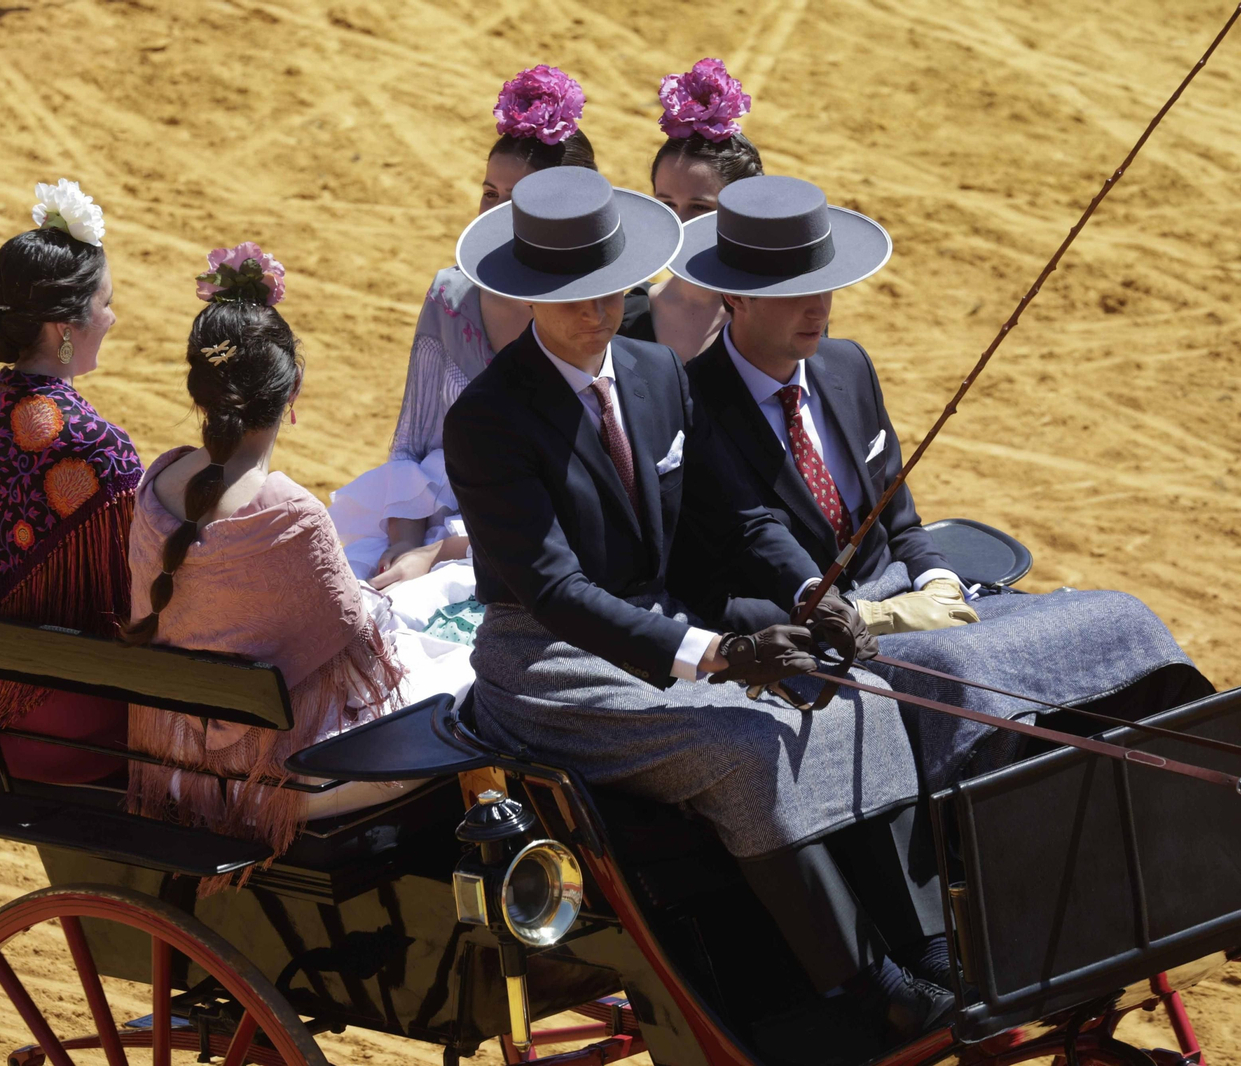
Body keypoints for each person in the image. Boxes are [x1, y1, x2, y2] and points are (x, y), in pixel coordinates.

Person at [445, 165, 957, 1042]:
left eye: (612, 290)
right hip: (549, 664)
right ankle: (863, 987)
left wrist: (805, 597)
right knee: (745, 749)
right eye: (573, 296)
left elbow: (724, 519)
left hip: (664, 623)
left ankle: (932, 952)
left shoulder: (654, 373)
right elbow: (558, 592)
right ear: (529, 295)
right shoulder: (487, 420)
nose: (598, 313)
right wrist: (712, 653)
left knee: (853, 697)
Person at [666, 174, 1213, 786]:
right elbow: (747, 541)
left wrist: (938, 577)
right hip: (809, 630)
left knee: (1120, 618)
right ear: (736, 299)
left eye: (826, 288)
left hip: (911, 599)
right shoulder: (692, 402)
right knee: (965, 662)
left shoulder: (848, 365)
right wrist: (838, 614)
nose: (819, 309)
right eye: (796, 293)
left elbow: (898, 514)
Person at [121, 244, 412, 883]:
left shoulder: (157, 481)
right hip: (257, 786)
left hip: (163, 762)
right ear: (293, 391)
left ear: (200, 391)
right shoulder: (291, 513)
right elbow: (358, 655)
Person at [329, 64, 597, 624]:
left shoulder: (598, 311)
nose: (492, 215)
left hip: (549, 558)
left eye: (514, 200)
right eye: (488, 192)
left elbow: (586, 505)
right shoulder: (449, 296)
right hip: (437, 527)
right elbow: (412, 440)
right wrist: (404, 542)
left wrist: (438, 554)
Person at [0, 180, 143, 784]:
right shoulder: (100, 449)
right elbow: (139, 608)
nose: (113, 316)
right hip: (77, 736)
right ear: (62, 326)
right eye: (105, 302)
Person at [620, 58, 764, 362]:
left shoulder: (787, 315)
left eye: (699, 208)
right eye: (667, 204)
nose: (678, 223)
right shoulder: (624, 318)